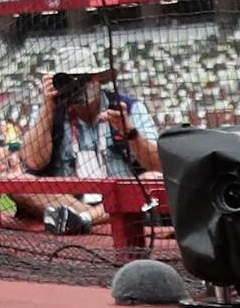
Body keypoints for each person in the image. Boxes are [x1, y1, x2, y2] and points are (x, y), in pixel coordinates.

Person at [11, 65, 160, 235]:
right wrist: (48, 107)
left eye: (83, 78)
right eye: (70, 79)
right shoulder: (50, 112)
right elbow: (34, 162)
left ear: (98, 78)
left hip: (121, 194)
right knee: (15, 181)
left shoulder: (128, 107)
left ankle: (79, 219)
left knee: (154, 179)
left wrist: (131, 134)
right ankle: (91, 218)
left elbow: (156, 165)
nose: (77, 86)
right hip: (68, 199)